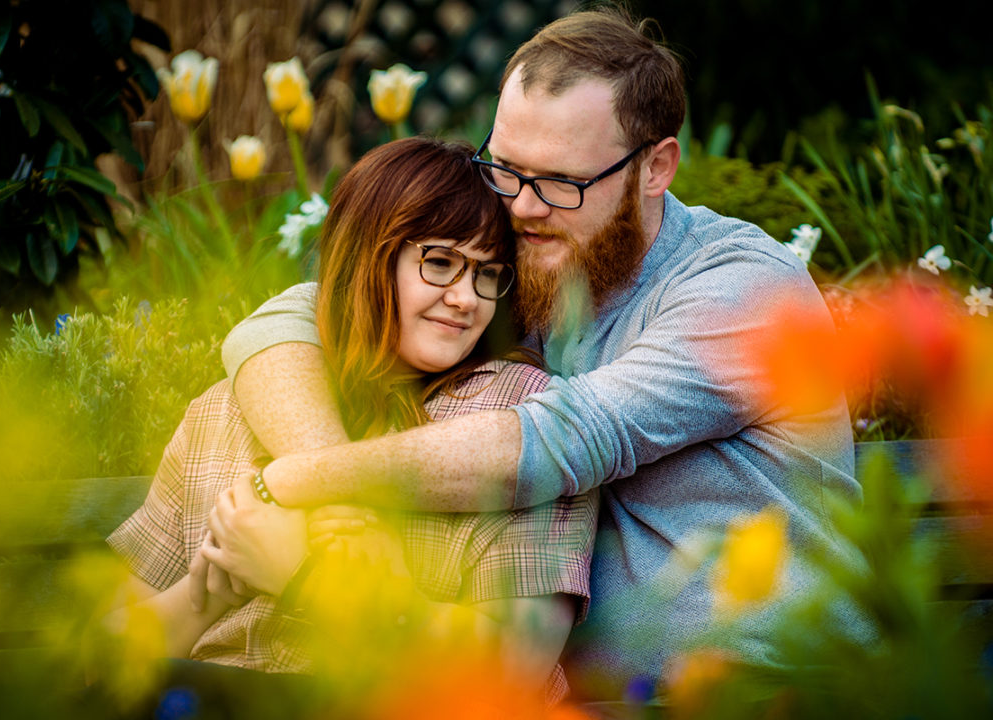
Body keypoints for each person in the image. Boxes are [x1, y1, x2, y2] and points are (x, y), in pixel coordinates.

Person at [211, 6, 862, 701]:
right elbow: (291, 320)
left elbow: (562, 441)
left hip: (768, 690)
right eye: (506, 168)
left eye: (559, 181)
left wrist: (301, 484)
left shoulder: (741, 286)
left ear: (655, 167)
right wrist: (343, 525)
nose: (520, 207)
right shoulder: (535, 255)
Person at [97, 137, 597, 709]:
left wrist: (310, 577)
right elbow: (100, 660)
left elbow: (512, 671)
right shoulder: (225, 413)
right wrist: (212, 589)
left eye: (488, 274)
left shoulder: (524, 424)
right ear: (364, 258)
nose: (466, 299)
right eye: (439, 263)